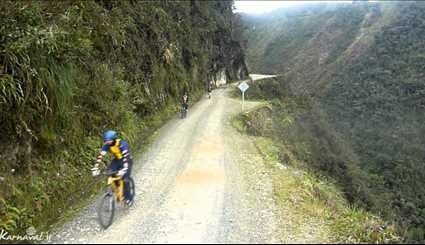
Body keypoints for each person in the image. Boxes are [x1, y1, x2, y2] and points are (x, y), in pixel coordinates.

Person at [93, 130, 133, 205]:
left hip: (127, 160)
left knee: (125, 179)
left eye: (109, 140)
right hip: (117, 160)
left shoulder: (121, 144)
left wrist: (125, 168)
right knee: (110, 172)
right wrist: (96, 167)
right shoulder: (107, 145)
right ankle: (117, 186)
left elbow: (126, 156)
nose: (107, 142)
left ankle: (129, 198)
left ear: (113, 139)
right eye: (106, 140)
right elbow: (100, 156)